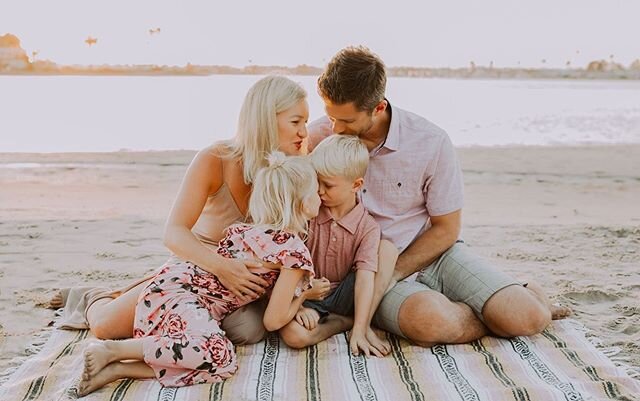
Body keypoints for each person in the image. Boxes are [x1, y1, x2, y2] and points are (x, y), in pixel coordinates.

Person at [307, 46, 571, 347]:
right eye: (331, 117)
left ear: (378, 107)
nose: (336, 129)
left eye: (348, 121)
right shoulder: (318, 139)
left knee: (528, 318)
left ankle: (522, 295)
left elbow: (446, 228)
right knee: (430, 322)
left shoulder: (429, 141)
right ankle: (490, 312)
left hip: (434, 255)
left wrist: (396, 272)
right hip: (369, 272)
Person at [49, 75, 311, 345]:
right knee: (105, 326)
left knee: (247, 330)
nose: (304, 132)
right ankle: (91, 295)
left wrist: (295, 297)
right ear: (265, 119)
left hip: (248, 287)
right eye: (295, 122)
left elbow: (292, 249)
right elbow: (174, 233)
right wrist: (223, 268)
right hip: (198, 267)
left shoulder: (296, 169)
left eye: (305, 122)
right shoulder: (215, 159)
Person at [76, 152, 329, 396]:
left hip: (169, 284)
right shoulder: (293, 252)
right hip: (185, 297)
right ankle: (113, 351)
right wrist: (304, 293)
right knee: (220, 356)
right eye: (316, 189)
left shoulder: (249, 231)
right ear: (305, 202)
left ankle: (116, 369)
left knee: (207, 355)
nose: (321, 195)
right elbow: (273, 321)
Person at [279, 134, 398, 357]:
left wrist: (361, 330)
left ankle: (359, 325)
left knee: (388, 250)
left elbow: (363, 280)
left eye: (328, 185)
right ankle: (342, 323)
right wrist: (301, 304)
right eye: (317, 183)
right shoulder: (309, 213)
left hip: (345, 294)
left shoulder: (367, 227)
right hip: (308, 294)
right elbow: (285, 264)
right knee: (294, 336)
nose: (320, 191)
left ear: (356, 185)